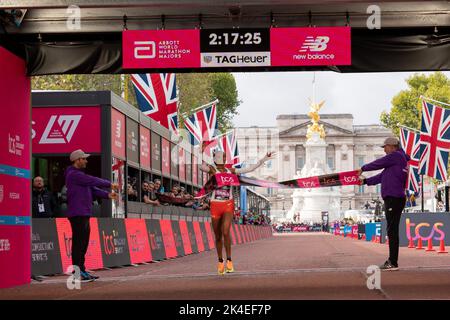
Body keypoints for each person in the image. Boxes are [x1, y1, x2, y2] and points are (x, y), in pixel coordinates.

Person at [200, 149, 275, 275]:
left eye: (223, 156)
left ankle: (229, 260)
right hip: (215, 204)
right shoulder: (212, 169)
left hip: (228, 204)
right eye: (219, 156)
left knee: (225, 231)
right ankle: (220, 261)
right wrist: (201, 151)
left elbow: (249, 169)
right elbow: (201, 167)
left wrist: (263, 160)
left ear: (225, 158)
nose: (222, 158)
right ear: (214, 158)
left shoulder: (231, 171)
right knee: (218, 236)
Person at [65, 149, 118, 282]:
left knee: (83, 243)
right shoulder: (74, 174)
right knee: (79, 244)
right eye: (84, 158)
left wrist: (107, 195)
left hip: (83, 213)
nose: (86, 161)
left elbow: (92, 189)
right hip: (78, 213)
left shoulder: (79, 176)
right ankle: (77, 272)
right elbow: (92, 181)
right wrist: (109, 184)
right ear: (77, 160)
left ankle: (81, 270)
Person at [358, 137, 409, 271]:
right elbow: (381, 177)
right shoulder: (396, 161)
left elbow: (378, 163)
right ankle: (392, 261)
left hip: (393, 197)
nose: (384, 150)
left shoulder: (396, 156)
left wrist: (363, 168)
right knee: (392, 230)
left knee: (392, 230)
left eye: (385, 147)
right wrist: (364, 182)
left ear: (392, 146)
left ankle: (393, 262)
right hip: (394, 198)